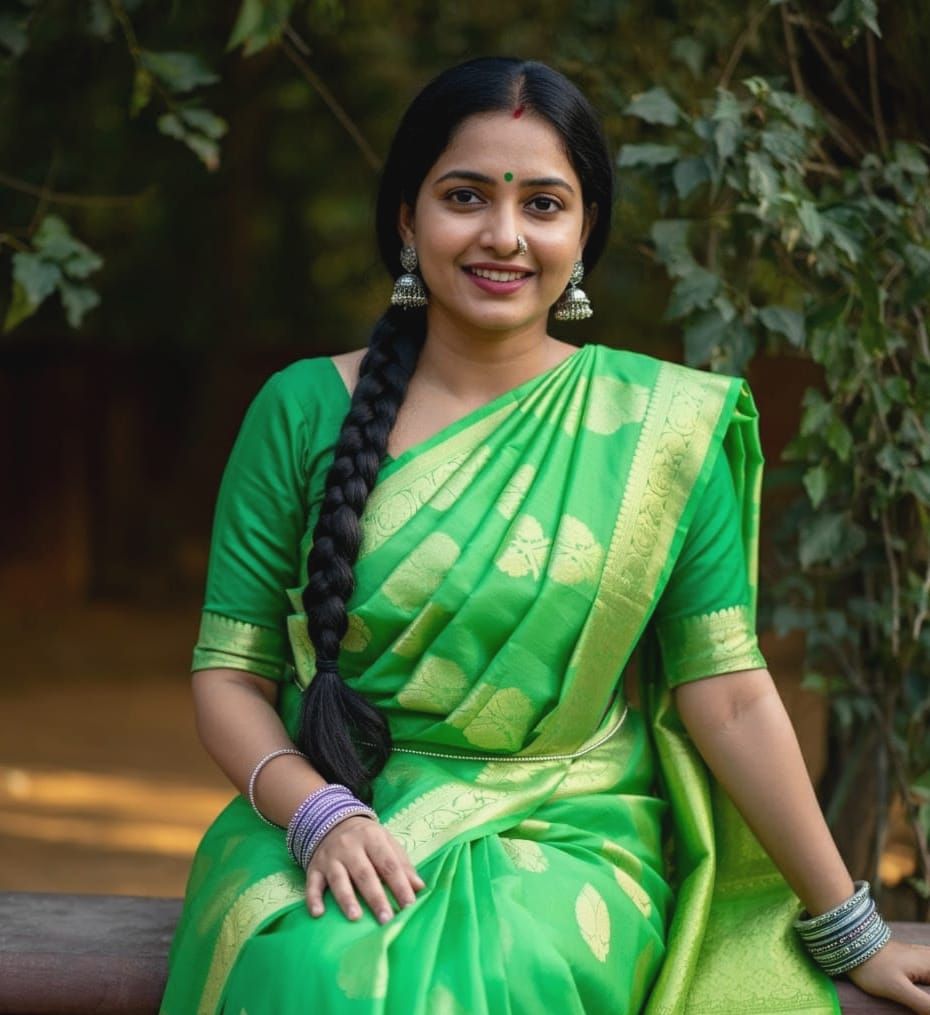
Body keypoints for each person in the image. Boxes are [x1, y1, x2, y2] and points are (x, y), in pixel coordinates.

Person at [161, 57, 930, 1014]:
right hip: (329, 813)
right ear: (407, 220)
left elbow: (729, 695)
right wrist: (319, 812)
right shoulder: (303, 409)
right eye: (465, 196)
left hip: (566, 837)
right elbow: (227, 675)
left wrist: (849, 925)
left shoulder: (660, 433)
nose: (504, 234)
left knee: (496, 971)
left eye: (543, 203)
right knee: (311, 968)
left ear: (585, 229)